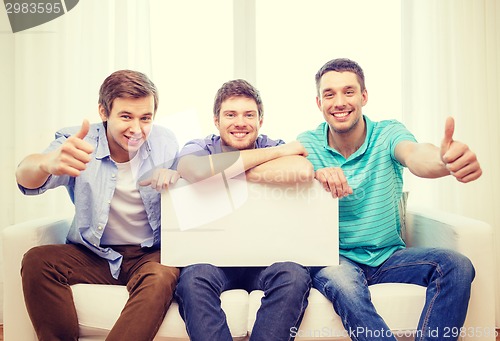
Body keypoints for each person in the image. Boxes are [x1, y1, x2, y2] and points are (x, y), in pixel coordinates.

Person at [297, 58, 482, 341]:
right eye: (329, 94)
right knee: (343, 283)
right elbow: (282, 171)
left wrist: (444, 161)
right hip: (337, 258)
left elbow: (416, 155)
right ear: (319, 102)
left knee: (457, 265)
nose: (339, 102)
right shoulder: (308, 143)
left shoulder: (387, 133)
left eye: (348, 91)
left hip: (388, 257)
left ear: (364, 96)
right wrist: (315, 172)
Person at [16, 70, 180, 341]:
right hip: (94, 253)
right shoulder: (78, 142)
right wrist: (45, 164)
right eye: (126, 116)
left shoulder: (165, 142)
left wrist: (177, 176)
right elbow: (25, 176)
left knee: (164, 275)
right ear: (104, 112)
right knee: (37, 260)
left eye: (145, 118)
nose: (137, 129)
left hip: (149, 253)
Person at [174, 79, 314, 341]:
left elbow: (302, 170)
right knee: (192, 279)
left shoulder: (272, 143)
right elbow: (194, 170)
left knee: (295, 274)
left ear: (261, 121)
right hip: (212, 261)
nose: (240, 122)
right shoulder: (199, 147)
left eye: (249, 115)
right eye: (230, 115)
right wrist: (276, 158)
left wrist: (223, 171)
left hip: (266, 260)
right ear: (216, 120)